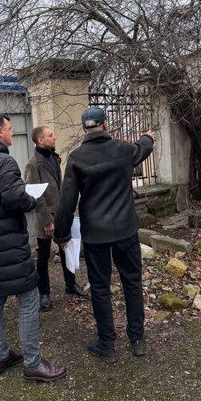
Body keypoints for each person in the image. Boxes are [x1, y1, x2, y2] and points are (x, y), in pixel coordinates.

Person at [0, 113, 66, 382]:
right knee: (29, 297)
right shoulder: (4, 161)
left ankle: (0, 355)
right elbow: (13, 198)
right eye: (9, 128)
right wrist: (30, 200)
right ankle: (33, 363)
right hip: (7, 243)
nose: (12, 132)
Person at [54, 107, 156, 364]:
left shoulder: (77, 158)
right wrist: (148, 137)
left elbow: (67, 201)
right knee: (132, 282)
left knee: (100, 288)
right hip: (126, 229)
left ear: (84, 128)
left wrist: (61, 234)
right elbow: (142, 149)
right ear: (105, 124)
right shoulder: (123, 150)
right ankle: (137, 339)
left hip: (95, 234)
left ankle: (107, 344)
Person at [25, 125, 88, 311]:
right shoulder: (33, 163)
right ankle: (44, 293)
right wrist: (47, 221)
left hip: (61, 214)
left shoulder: (53, 157)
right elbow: (35, 196)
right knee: (43, 256)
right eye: (50, 135)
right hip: (45, 217)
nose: (54, 137)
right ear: (40, 140)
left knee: (66, 249)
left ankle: (71, 284)